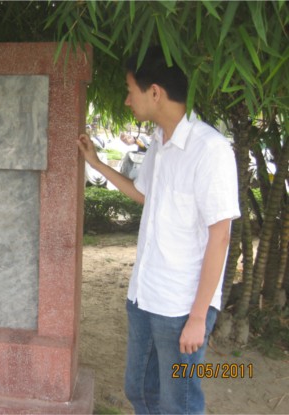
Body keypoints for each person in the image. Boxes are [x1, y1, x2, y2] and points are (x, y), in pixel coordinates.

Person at [77, 46, 240, 414]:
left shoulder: (210, 150)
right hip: (144, 295)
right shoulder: (158, 143)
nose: (126, 100)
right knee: (139, 390)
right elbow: (143, 194)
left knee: (179, 403)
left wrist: (198, 317)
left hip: (181, 306)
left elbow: (220, 235)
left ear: (154, 92)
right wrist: (97, 164)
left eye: (130, 90)